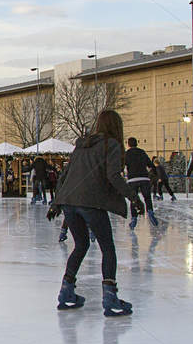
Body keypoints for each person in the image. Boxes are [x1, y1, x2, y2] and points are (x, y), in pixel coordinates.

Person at [51, 109, 131, 316]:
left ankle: (66, 291)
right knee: (108, 248)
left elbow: (66, 175)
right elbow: (113, 175)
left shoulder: (82, 146)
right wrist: (134, 197)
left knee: (81, 245)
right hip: (90, 202)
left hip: (69, 201)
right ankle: (110, 297)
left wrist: (57, 202)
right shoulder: (110, 144)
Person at [122, 137, 156, 228]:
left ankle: (134, 218)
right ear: (136, 143)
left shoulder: (126, 154)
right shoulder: (142, 152)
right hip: (144, 178)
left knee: (134, 199)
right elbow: (150, 164)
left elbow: (122, 166)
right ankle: (150, 211)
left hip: (132, 179)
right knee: (147, 197)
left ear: (128, 144)